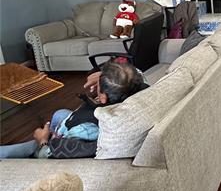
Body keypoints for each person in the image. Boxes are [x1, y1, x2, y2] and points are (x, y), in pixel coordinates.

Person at [0, 60, 146, 160]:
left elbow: (49, 155)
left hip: (54, 147)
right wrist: (106, 77)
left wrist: (42, 141)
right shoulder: (136, 92)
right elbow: (138, 74)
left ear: (103, 98)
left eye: (100, 85)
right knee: (59, 114)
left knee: (5, 153)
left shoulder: (85, 130)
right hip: (71, 128)